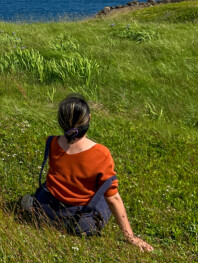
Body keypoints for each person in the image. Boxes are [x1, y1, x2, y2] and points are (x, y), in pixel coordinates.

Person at [22, 94, 153, 252]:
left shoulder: (52, 142)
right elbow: (113, 199)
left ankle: (33, 206)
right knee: (107, 194)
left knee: (49, 184)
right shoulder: (101, 153)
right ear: (89, 118)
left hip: (47, 212)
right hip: (79, 224)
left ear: (61, 121)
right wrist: (131, 237)